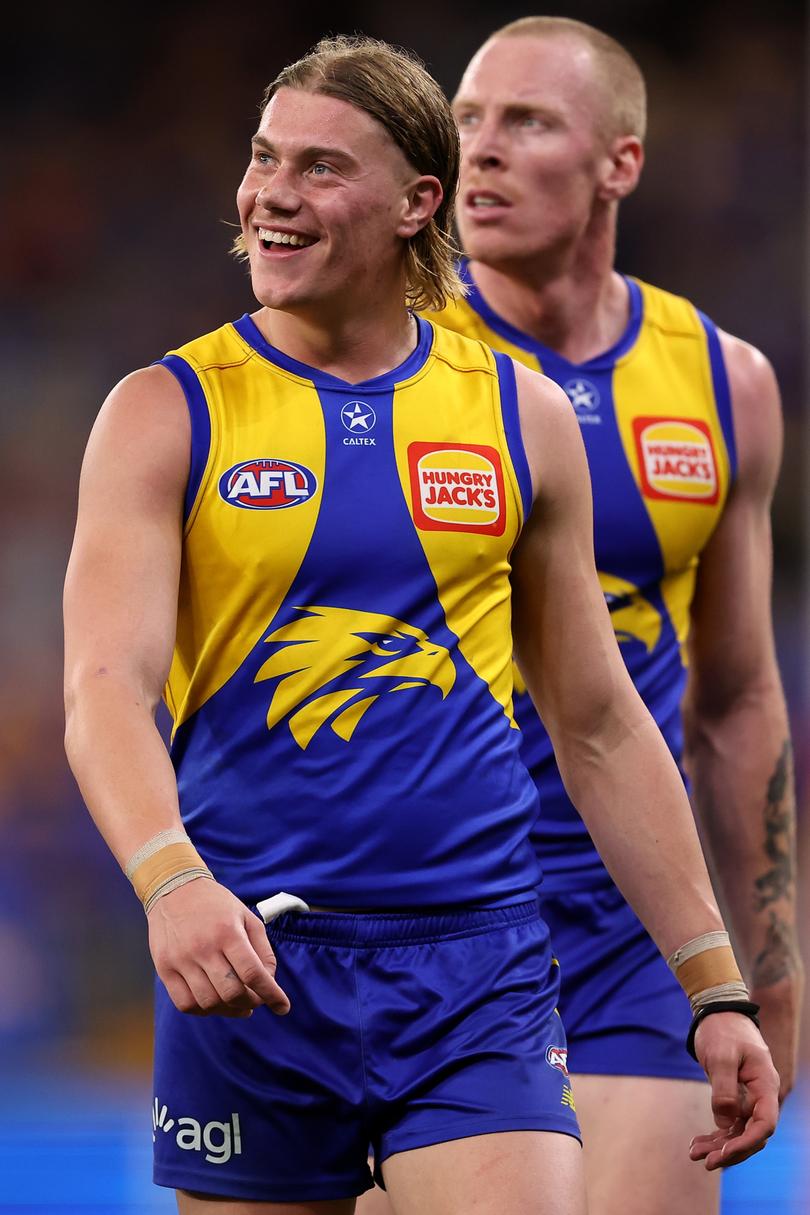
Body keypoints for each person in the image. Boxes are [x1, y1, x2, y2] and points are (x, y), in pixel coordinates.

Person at [64, 34, 779, 1215]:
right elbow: (103, 686)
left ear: (417, 204)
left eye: (320, 167)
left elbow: (598, 723)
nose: (272, 195)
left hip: (480, 970)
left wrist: (716, 985)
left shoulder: (520, 417)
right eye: (262, 159)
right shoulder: (165, 411)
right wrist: (170, 882)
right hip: (257, 971)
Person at [403, 16, 799, 1215]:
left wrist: (765, 959)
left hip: (631, 915)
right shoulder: (387, 359)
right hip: (424, 909)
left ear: (620, 162)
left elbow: (735, 696)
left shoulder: (721, 382)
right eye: (466, 121)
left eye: (526, 122)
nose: (481, 154)